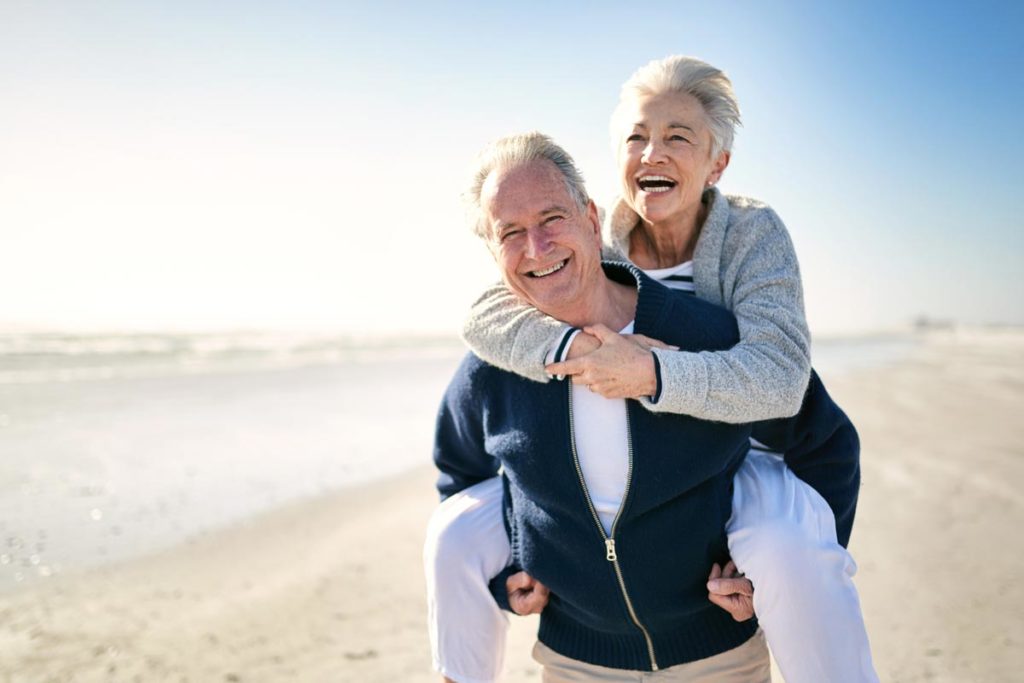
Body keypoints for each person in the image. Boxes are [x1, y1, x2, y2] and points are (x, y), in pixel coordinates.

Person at [428, 132, 876, 682]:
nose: (537, 249)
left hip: (717, 658)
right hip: (576, 661)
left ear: (592, 220)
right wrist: (508, 569)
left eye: (551, 219)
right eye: (511, 233)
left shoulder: (703, 336)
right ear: (494, 253)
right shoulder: (495, 365)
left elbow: (826, 444)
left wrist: (784, 579)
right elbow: (460, 476)